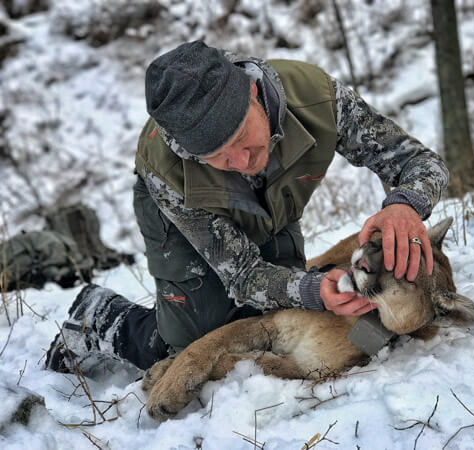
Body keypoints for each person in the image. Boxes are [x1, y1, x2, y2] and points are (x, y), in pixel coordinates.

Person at [45, 40, 449, 375]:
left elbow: (421, 164)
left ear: (254, 93)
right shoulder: (167, 169)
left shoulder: (318, 99)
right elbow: (241, 273)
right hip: (185, 213)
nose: (239, 162)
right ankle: (99, 316)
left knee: (279, 315)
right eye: (215, 156)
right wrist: (311, 287)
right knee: (194, 342)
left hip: (271, 209)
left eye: (242, 137)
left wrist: (405, 205)